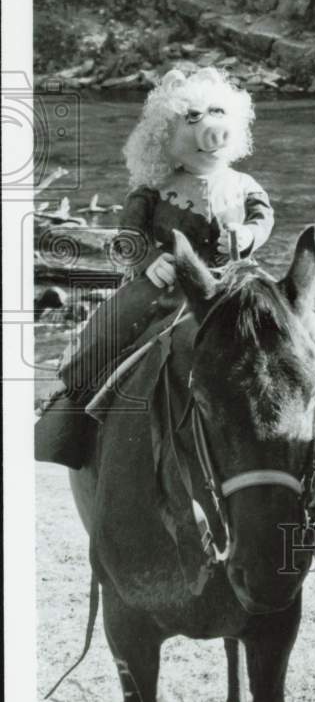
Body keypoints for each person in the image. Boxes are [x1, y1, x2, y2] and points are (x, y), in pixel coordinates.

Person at [35, 66, 276, 470]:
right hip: (163, 285)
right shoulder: (152, 189)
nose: (209, 128)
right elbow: (126, 238)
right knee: (110, 325)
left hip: (231, 281)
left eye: (216, 113)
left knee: (297, 328)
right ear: (165, 134)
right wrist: (149, 260)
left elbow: (263, 219)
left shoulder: (244, 183)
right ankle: (69, 401)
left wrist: (247, 237)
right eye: (193, 118)